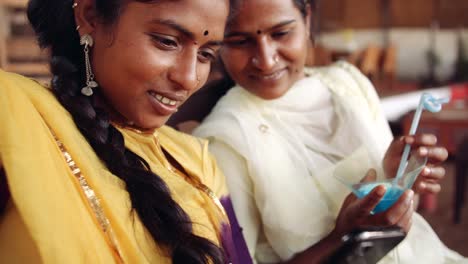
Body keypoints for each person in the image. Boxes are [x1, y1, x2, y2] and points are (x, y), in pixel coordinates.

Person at [193, 0, 468, 263]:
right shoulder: (223, 141)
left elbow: (402, 222)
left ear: (308, 20)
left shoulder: (349, 83)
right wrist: (339, 239)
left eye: (281, 33)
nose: (265, 60)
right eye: (240, 41)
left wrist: (402, 184)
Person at [0, 0, 243, 263]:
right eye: (167, 41)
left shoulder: (196, 162)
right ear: (90, 16)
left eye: (206, 55)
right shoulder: (15, 115)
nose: (188, 78)